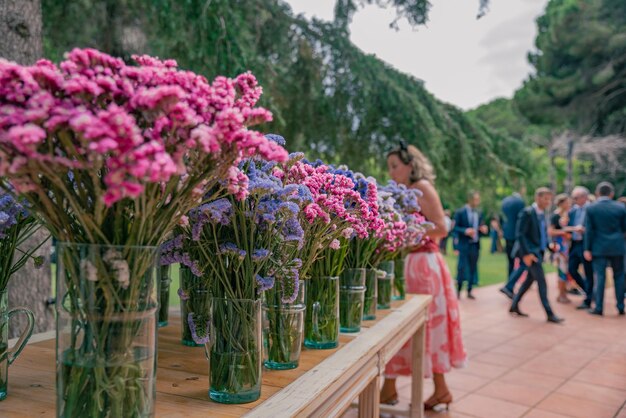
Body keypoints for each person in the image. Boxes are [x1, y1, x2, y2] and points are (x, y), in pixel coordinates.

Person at [382, 142, 466, 410]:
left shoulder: (422, 188)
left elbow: (441, 227)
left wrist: (406, 231)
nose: (392, 172)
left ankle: (437, 389)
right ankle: (391, 387)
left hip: (423, 264)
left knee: (427, 326)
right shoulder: (401, 191)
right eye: (389, 167)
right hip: (405, 262)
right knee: (398, 325)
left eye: (395, 166)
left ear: (410, 165)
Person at [509, 187, 564, 323]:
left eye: (549, 200)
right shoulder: (527, 212)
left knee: (528, 281)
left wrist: (549, 247)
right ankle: (550, 313)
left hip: (538, 252)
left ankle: (514, 305)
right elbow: (520, 235)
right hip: (531, 254)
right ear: (537, 198)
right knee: (542, 283)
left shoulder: (542, 214)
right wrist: (526, 254)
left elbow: (540, 235)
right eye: (546, 199)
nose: (548, 202)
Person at [583, 182, 626, 316]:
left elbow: (589, 231)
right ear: (611, 193)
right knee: (619, 277)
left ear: (597, 193)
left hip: (599, 247)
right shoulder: (621, 208)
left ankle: (599, 307)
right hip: (618, 246)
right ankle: (620, 306)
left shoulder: (591, 208)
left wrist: (587, 249)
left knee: (600, 277)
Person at [453, 191, 488, 299]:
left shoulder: (479, 212)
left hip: (475, 245)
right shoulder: (460, 212)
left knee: (473, 267)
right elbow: (454, 228)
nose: (477, 202)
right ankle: (458, 291)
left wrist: (484, 229)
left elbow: (481, 225)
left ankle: (469, 290)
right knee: (461, 268)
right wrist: (465, 231)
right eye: (476, 199)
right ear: (470, 200)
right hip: (464, 244)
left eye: (478, 199)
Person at [568, 186, 595, 310]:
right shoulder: (573, 210)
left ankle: (588, 299)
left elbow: (596, 227)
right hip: (575, 244)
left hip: (586, 244)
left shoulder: (592, 209)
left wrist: (585, 230)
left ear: (584, 197)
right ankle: (588, 291)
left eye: (576, 197)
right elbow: (569, 225)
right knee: (571, 269)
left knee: (588, 272)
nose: (574, 200)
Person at [549, 194, 572, 304]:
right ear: (562, 203)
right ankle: (561, 294)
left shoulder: (565, 215)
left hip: (566, 246)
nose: (569, 205)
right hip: (559, 247)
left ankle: (564, 293)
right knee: (562, 270)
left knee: (565, 270)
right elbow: (550, 231)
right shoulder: (555, 216)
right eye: (567, 202)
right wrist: (564, 232)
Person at [501, 187, 526, 277]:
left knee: (510, 259)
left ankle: (510, 278)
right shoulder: (520, 202)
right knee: (522, 259)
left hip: (507, 233)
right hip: (517, 234)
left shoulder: (505, 201)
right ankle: (516, 280)